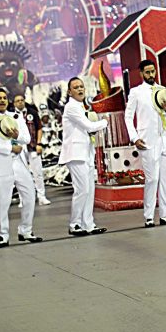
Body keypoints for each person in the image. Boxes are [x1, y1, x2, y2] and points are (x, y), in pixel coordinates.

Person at [0, 88, 42, 247]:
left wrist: (17, 137)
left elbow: (27, 139)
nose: (2, 100)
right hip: (1, 165)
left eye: (4, 98)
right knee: (2, 202)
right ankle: (3, 235)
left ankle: (26, 230)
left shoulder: (16, 116)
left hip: (18, 163)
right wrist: (9, 148)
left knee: (30, 194)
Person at [125, 60, 166, 227]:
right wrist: (134, 137)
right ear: (141, 74)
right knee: (152, 179)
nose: (151, 75)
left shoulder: (163, 90)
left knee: (165, 178)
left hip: (165, 138)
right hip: (147, 141)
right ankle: (149, 216)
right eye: (147, 72)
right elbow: (128, 117)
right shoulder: (136, 92)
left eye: (153, 71)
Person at [58, 77, 109, 236]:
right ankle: (74, 224)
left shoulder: (81, 106)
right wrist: (104, 122)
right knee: (82, 190)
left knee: (90, 190)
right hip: (75, 154)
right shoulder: (71, 107)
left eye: (81, 86)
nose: (80, 89)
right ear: (69, 92)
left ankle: (89, 224)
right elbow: (88, 126)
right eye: (76, 87)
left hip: (86, 153)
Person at [12, 94, 51, 206]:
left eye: (21, 100)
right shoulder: (11, 115)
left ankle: (41, 196)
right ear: (14, 103)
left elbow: (39, 128)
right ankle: (23, 198)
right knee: (20, 175)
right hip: (19, 148)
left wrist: (39, 143)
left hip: (33, 145)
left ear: (24, 101)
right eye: (17, 101)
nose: (20, 102)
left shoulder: (32, 112)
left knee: (37, 173)